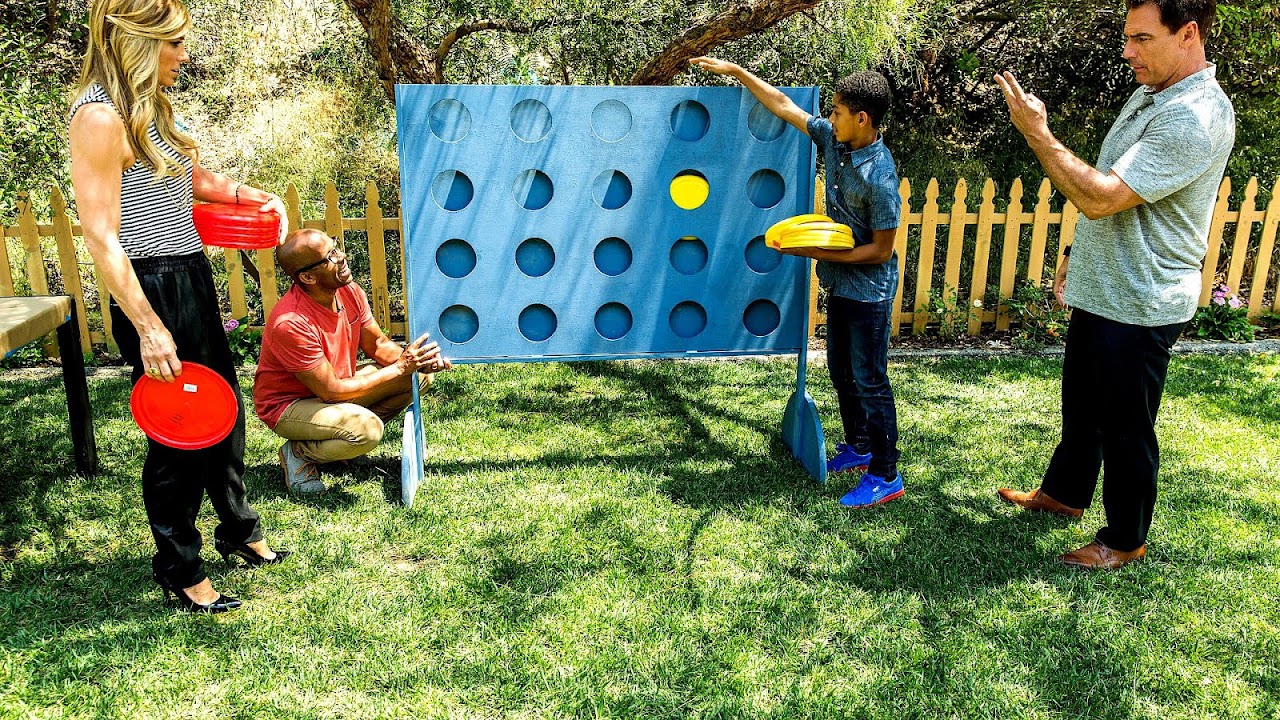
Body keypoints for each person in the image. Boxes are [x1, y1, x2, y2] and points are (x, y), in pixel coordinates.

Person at [994, 0, 1234, 568]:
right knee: (1082, 405)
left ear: (1189, 34)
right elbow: (1112, 185)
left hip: (1144, 297)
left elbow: (1102, 196)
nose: (1128, 51)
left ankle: (1125, 539)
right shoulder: (1154, 91)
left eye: (1142, 39)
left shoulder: (1194, 116)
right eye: (1128, 37)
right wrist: (1077, 255)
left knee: (1127, 427)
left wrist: (1038, 134)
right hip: (1107, 286)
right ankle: (1065, 494)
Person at [69, 0, 288, 613]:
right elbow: (102, 236)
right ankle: (180, 567)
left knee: (224, 412)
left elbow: (190, 184)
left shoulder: (152, 108)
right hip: (149, 286)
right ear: (136, 42)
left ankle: (238, 533)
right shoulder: (99, 117)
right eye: (173, 45)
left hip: (187, 270)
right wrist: (148, 326)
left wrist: (250, 195)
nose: (183, 56)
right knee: (179, 433)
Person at [691, 58, 905, 508]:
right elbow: (785, 106)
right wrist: (738, 73)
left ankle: (886, 475)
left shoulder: (880, 178)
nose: (830, 118)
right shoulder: (835, 141)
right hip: (841, 283)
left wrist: (815, 253)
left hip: (870, 292)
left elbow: (882, 251)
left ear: (861, 118)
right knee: (842, 372)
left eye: (838, 112)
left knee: (870, 380)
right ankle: (860, 446)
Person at [254, 228, 451, 494]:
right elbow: (331, 391)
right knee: (367, 430)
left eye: (335, 247)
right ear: (308, 276)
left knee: (419, 377)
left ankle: (340, 445)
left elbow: (378, 345)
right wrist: (401, 366)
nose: (342, 256)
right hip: (290, 406)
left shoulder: (349, 292)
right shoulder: (290, 323)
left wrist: (421, 363)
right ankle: (300, 452)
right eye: (330, 256)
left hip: (334, 389)